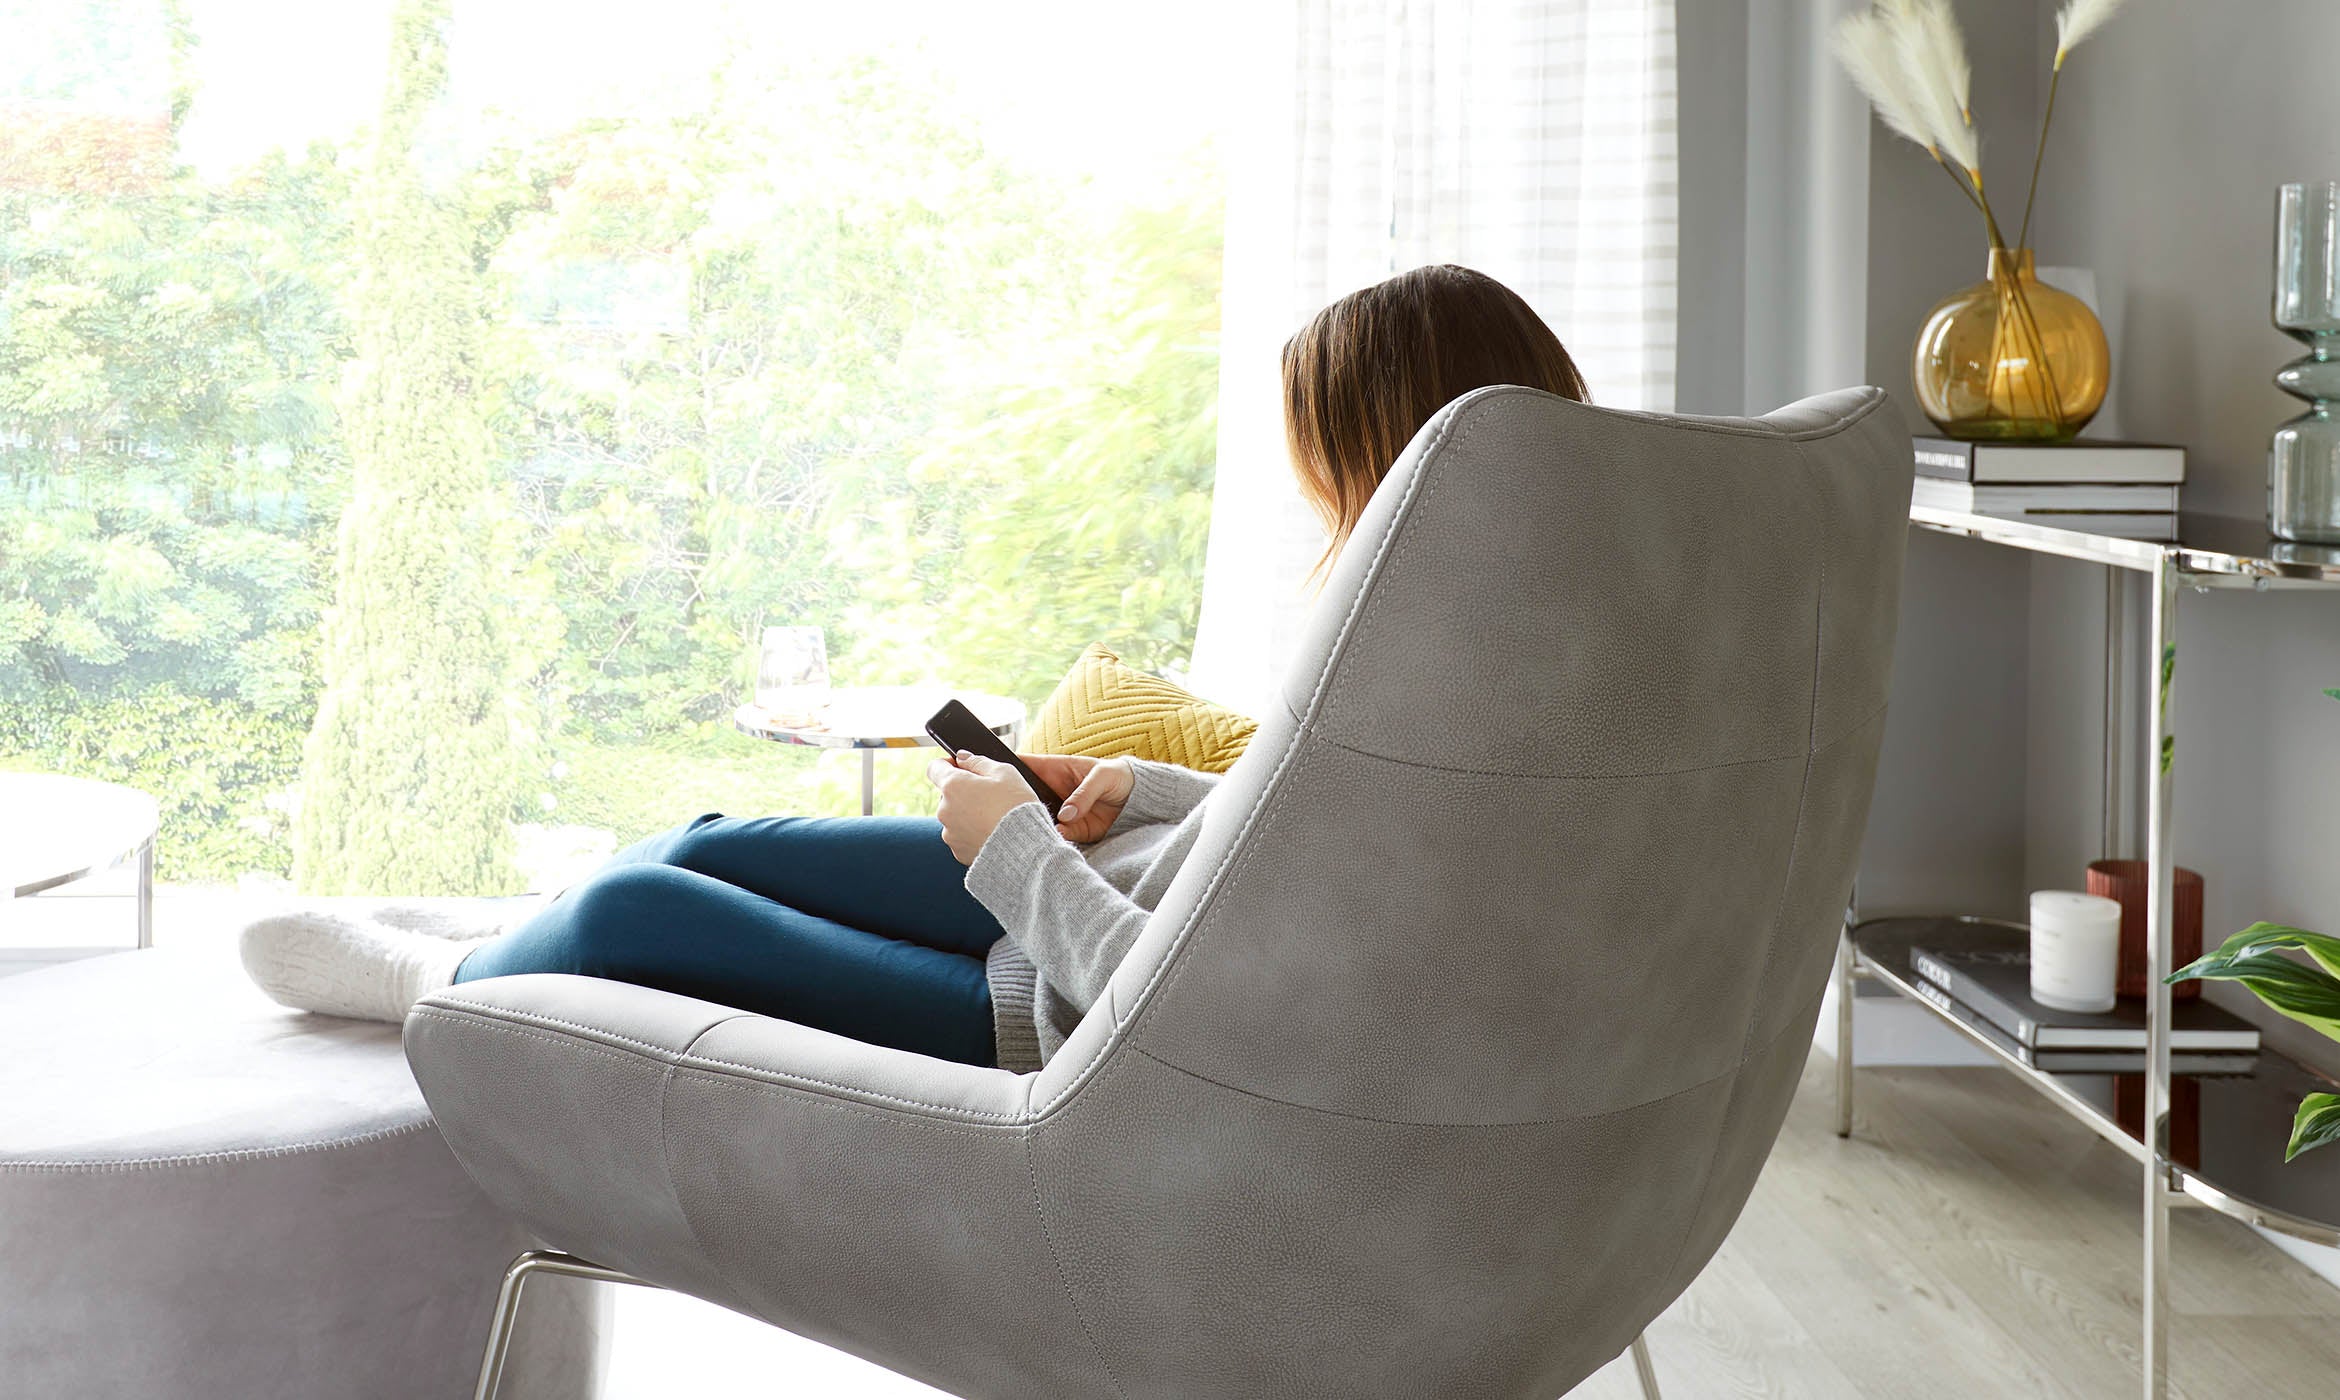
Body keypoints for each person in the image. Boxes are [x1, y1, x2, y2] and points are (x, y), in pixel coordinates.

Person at [240, 264, 1589, 1073]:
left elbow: (1175, 1007)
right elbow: (1298, 842)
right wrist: (1128, 785)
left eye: (1326, 463)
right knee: (705, 843)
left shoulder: (1448, 697)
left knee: (625, 926)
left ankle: (445, 984)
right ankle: (497, 944)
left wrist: (1015, 850)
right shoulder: (1486, 651)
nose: (1316, 500)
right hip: (1110, 887)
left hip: (1065, 1002)